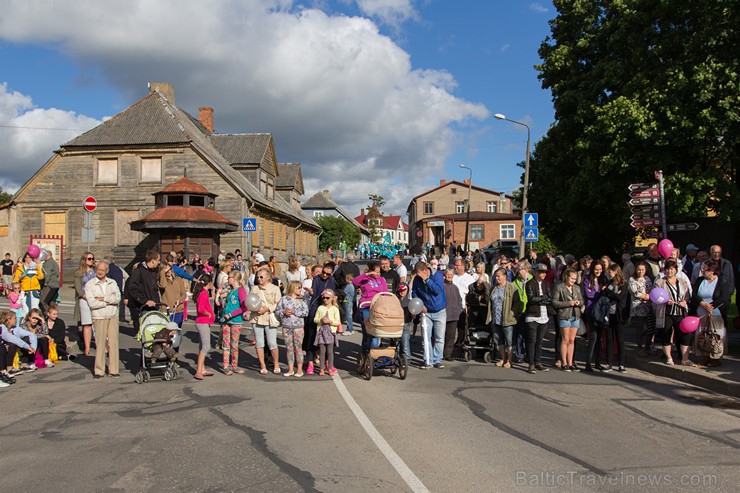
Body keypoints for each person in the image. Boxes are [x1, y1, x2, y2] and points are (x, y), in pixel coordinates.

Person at [85, 261, 121, 379]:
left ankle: (114, 369)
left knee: (113, 343)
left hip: (113, 315)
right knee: (100, 344)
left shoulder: (112, 282)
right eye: (98, 269)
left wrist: (104, 299)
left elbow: (117, 298)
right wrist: (108, 302)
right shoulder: (90, 284)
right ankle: (99, 370)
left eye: (102, 270)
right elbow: (92, 303)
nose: (100, 272)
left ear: (106, 271)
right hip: (99, 316)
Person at [692, 260, 732, 367]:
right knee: (703, 335)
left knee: (715, 336)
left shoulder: (721, 281)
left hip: (715, 313)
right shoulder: (700, 280)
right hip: (701, 312)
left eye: (705, 269)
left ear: (712, 271)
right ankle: (705, 357)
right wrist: (702, 304)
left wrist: (711, 306)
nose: (703, 271)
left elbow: (724, 297)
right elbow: (694, 294)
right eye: (702, 269)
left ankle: (716, 358)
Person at [652, 259, 690, 366]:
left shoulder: (682, 282)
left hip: (680, 311)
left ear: (675, 270)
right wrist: (664, 301)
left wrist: (685, 301)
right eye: (667, 269)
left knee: (684, 334)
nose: (669, 271)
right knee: (666, 334)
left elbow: (687, 294)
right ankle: (669, 358)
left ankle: (685, 358)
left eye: (672, 269)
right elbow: (655, 297)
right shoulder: (660, 282)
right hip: (666, 312)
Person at [411, 261, 447, 369]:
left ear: (426, 270)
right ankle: (428, 361)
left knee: (439, 337)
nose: (418, 276)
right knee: (425, 337)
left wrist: (427, 280)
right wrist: (420, 304)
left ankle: (437, 359)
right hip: (426, 312)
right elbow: (414, 292)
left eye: (419, 273)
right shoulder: (417, 279)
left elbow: (437, 290)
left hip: (439, 310)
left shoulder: (437, 276)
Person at [304, 262, 336, 374]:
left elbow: (332, 294)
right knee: (312, 336)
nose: (325, 275)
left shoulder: (331, 280)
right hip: (316, 306)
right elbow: (314, 291)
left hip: (327, 307)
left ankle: (328, 363)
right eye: (324, 272)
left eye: (328, 274)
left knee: (328, 337)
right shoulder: (317, 279)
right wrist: (312, 292)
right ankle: (310, 362)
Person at [486, 267, 521, 368]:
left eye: (499, 276)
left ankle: (509, 360)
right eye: (496, 276)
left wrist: (512, 314)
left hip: (507, 319)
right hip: (495, 319)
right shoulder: (494, 288)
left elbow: (517, 303)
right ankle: (502, 358)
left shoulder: (512, 287)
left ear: (505, 276)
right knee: (498, 340)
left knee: (509, 341)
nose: (497, 278)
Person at [251, 266, 282, 375]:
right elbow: (250, 301)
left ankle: (276, 364)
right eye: (257, 277)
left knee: (272, 343)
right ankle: (262, 365)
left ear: (268, 277)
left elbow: (278, 303)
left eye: (261, 277)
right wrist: (255, 309)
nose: (259, 279)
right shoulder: (255, 288)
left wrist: (267, 308)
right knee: (259, 343)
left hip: (269, 318)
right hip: (257, 317)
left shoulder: (275, 288)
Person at [524, 264, 554, 374]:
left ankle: (538, 362)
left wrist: (541, 299)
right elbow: (531, 299)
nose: (543, 274)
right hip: (533, 315)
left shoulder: (546, 284)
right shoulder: (530, 284)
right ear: (536, 272)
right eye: (541, 272)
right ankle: (531, 364)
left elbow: (550, 298)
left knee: (540, 341)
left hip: (544, 315)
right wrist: (543, 298)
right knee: (532, 340)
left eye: (545, 272)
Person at [353, 261, 389, 352]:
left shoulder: (381, 280)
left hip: (377, 307)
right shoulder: (365, 279)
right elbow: (355, 281)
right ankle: (366, 352)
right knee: (367, 332)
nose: (378, 274)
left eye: (379, 272)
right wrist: (367, 274)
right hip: (366, 306)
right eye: (376, 272)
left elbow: (385, 293)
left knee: (375, 332)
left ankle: (374, 354)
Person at [552, 269, 584, 372]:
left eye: (575, 279)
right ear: (566, 277)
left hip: (575, 315)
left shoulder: (577, 288)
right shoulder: (559, 288)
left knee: (572, 340)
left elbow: (582, 300)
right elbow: (555, 302)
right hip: (565, 315)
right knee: (565, 339)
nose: (573, 280)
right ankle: (564, 363)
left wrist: (579, 302)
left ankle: (571, 363)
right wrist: (568, 303)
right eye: (572, 278)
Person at [275, 280, 309, 377]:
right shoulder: (284, 299)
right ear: (292, 288)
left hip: (298, 327)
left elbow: (305, 312)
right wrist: (284, 312)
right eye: (298, 287)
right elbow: (277, 311)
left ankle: (299, 369)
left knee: (298, 348)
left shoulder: (302, 300)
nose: (300, 289)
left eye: (300, 287)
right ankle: (290, 369)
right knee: (289, 348)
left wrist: (294, 312)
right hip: (286, 326)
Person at [218, 271, 247, 375]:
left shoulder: (241, 291)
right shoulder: (230, 291)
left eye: (229, 277)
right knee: (226, 344)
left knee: (234, 344)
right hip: (226, 320)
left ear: (235, 279)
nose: (227, 279)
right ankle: (226, 366)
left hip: (236, 321)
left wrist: (231, 314)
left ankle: (234, 365)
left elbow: (244, 307)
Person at [125, 251, 161, 336]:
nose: (159, 262)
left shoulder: (153, 271)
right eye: (158, 260)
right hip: (145, 307)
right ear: (153, 260)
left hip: (155, 306)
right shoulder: (139, 271)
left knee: (157, 332)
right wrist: (145, 301)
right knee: (147, 333)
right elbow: (132, 288)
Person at [603, 264, 627, 372]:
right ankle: (609, 362)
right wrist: (611, 292)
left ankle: (621, 363)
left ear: (616, 272)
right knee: (609, 338)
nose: (609, 274)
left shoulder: (623, 284)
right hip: (609, 313)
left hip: (619, 314)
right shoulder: (609, 283)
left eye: (611, 272)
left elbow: (619, 297)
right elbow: (604, 293)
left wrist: (610, 292)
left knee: (620, 339)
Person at [583, 260, 606, 372]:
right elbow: (588, 294)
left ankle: (597, 362)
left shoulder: (603, 279)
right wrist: (600, 293)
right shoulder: (587, 279)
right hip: (591, 310)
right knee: (593, 336)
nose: (598, 271)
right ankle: (588, 362)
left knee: (599, 337)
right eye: (596, 269)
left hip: (601, 310)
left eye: (600, 269)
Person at [628, 262, 654, 357]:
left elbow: (651, 289)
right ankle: (640, 348)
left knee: (650, 328)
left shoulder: (647, 279)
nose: (640, 271)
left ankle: (648, 346)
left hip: (648, 306)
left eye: (642, 270)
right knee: (639, 329)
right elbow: (634, 292)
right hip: (638, 307)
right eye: (639, 269)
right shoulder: (632, 279)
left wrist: (649, 296)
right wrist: (644, 296)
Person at [1, 310, 36, 377]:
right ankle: (9, 369)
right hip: (4, 349)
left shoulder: (16, 328)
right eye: (15, 318)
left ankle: (24, 364)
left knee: (27, 338)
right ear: (9, 320)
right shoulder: (2, 328)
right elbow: (11, 338)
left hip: (13, 349)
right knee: (12, 343)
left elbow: (32, 335)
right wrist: (27, 346)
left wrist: (33, 347)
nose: (16, 320)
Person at [314, 289, 340, 376]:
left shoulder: (335, 309)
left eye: (327, 298)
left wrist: (330, 321)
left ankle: (329, 368)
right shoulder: (320, 308)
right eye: (324, 298)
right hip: (321, 332)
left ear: (332, 298)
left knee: (330, 352)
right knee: (322, 352)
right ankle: (321, 369)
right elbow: (315, 319)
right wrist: (320, 320)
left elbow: (338, 322)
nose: (325, 299)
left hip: (330, 333)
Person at [193, 274, 215, 380]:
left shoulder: (202, 293)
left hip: (202, 322)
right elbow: (201, 309)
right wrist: (208, 314)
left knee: (202, 346)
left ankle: (201, 368)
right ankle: (199, 370)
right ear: (209, 283)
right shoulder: (204, 293)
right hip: (203, 322)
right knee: (206, 346)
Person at [74, 252, 96, 356]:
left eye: (92, 258)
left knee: (97, 323)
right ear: (84, 260)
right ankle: (87, 348)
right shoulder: (79, 273)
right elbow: (78, 288)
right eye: (89, 259)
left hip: (96, 299)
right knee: (87, 324)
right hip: (84, 299)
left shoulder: (96, 272)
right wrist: (85, 296)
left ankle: (101, 346)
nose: (91, 260)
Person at [334, 253, 360, 336]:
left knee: (347, 308)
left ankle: (350, 326)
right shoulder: (356, 267)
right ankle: (354, 320)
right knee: (352, 303)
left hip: (344, 286)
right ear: (353, 259)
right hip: (354, 287)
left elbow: (336, 274)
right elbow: (358, 278)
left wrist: (340, 282)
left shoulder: (343, 265)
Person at [158, 261, 188, 328]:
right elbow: (163, 286)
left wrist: (179, 301)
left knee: (177, 332)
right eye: (166, 270)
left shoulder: (178, 280)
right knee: (167, 332)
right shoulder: (161, 281)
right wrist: (162, 273)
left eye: (169, 269)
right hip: (166, 310)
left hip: (178, 310)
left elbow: (183, 294)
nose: (168, 271)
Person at [512, 261, 531, 363]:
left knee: (529, 335)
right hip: (519, 311)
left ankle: (529, 355)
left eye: (520, 269)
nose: (518, 271)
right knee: (519, 335)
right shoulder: (516, 281)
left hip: (531, 311)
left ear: (526, 269)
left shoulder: (533, 280)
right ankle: (520, 355)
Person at [442, 269, 464, 361]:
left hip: (454, 315)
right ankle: (439, 353)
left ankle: (448, 354)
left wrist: (459, 310)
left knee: (451, 336)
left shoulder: (455, 287)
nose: (449, 276)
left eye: (451, 274)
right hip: (443, 315)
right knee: (441, 335)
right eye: (448, 274)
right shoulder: (441, 286)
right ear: (445, 275)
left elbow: (459, 300)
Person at [104, 256, 129, 324]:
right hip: (120, 287)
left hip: (114, 289)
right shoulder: (118, 268)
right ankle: (121, 317)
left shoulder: (110, 269)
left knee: (115, 304)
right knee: (121, 304)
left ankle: (118, 317)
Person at [39, 249, 59, 314]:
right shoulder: (54, 262)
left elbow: (47, 274)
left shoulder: (48, 263)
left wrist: (45, 283)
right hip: (55, 285)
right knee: (51, 303)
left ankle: (48, 315)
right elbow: (57, 274)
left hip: (50, 285)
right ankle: (54, 316)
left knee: (42, 302)